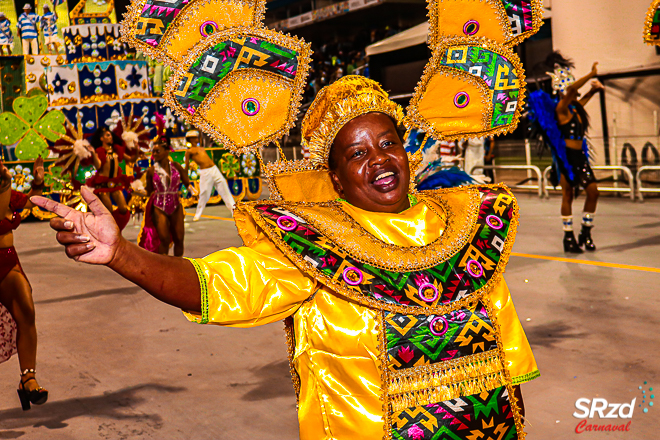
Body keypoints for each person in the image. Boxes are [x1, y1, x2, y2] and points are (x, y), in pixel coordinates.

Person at [34, 77, 538, 440]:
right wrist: (122, 253)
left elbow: (505, 363)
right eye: (358, 153)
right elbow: (216, 285)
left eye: (388, 144)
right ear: (335, 178)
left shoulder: (466, 226)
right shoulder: (315, 245)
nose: (380, 160)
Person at [529, 52, 603, 253]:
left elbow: (582, 99)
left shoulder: (575, 109)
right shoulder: (561, 108)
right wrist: (591, 75)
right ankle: (568, 237)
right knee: (568, 194)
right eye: (571, 91)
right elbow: (573, 90)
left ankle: (585, 233)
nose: (575, 94)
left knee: (593, 192)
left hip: (580, 158)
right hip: (566, 158)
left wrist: (594, 91)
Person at [0, 157, 48, 411]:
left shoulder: (5, 188)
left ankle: (28, 378)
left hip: (7, 261)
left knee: (27, 313)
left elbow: (28, 202)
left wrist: (38, 184)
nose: (3, 166)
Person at [138, 137, 194, 256]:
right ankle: (164, 268)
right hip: (158, 207)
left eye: (157, 151)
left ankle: (178, 267)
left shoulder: (176, 166)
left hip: (176, 206)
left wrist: (193, 191)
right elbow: (148, 191)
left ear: (167, 151)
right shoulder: (151, 171)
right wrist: (137, 192)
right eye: (153, 152)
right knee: (164, 239)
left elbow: (186, 182)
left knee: (179, 239)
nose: (154, 154)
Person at [86, 125, 135, 231]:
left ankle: (117, 229)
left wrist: (135, 148)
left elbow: (131, 159)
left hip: (115, 184)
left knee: (123, 209)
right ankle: (108, 232)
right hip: (103, 185)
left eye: (111, 135)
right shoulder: (99, 151)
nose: (111, 137)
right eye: (108, 135)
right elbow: (98, 166)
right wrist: (94, 154)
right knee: (108, 211)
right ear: (101, 138)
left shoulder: (117, 150)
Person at [184, 130, 235, 220]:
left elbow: (200, 135)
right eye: (195, 137)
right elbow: (186, 166)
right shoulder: (189, 151)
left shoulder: (201, 148)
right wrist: (185, 176)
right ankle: (198, 214)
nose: (197, 138)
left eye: (197, 137)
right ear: (190, 139)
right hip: (205, 172)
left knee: (224, 187)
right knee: (204, 193)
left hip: (214, 169)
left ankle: (234, 210)